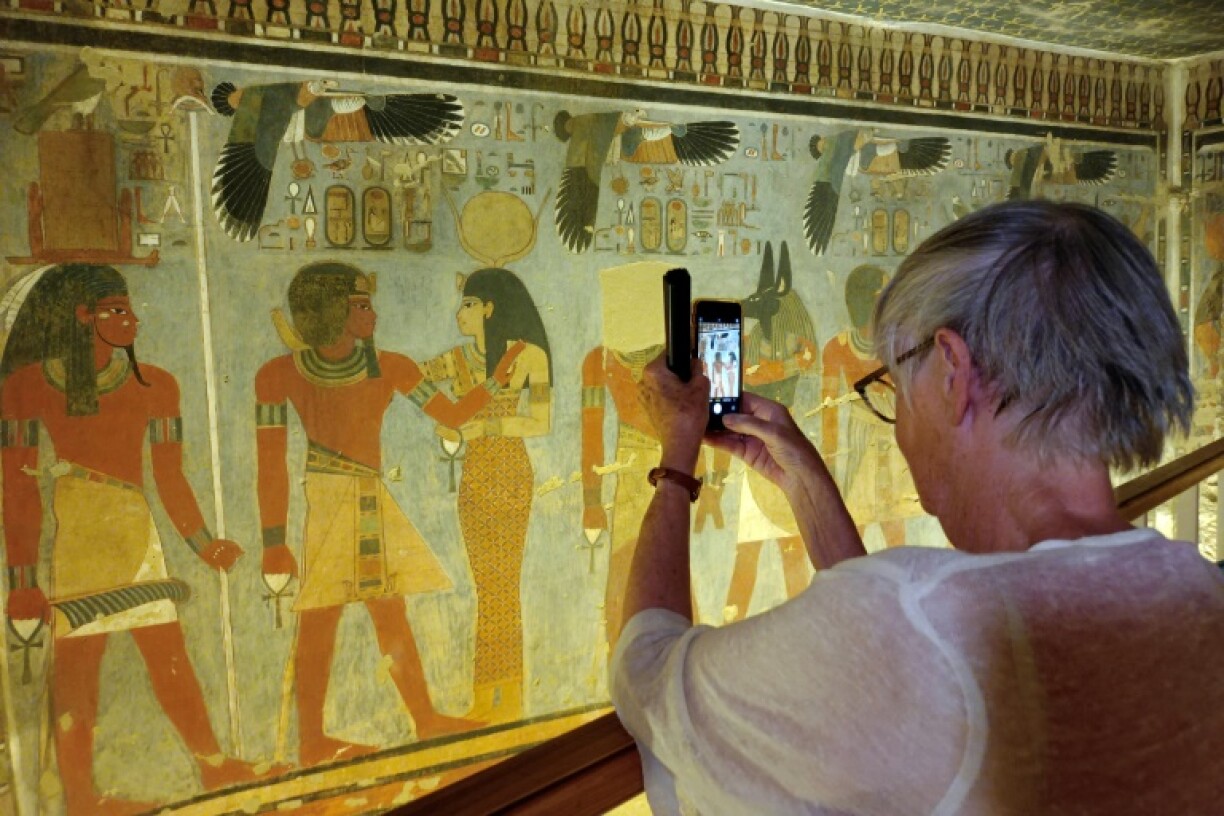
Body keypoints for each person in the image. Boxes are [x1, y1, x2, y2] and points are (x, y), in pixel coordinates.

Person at [610, 200, 1224, 814]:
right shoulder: (1201, 589)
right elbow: (895, 663)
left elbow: (649, 677)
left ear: (955, 372)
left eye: (896, 384)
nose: (900, 424)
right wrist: (802, 480)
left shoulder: (913, 626)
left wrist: (677, 455)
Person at [0, 264, 265, 815]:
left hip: (135, 528)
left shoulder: (157, 385)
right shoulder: (26, 386)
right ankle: (79, 798)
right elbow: (16, 487)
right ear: (82, 317)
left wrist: (203, 543)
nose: (132, 320)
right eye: (117, 311)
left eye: (129, 309)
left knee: (168, 655)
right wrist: (22, 580)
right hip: (78, 534)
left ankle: (212, 767)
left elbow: (169, 476)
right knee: (78, 670)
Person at [255, 261, 522, 765]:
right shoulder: (278, 375)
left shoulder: (391, 365)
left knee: (388, 608)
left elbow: (452, 416)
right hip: (330, 498)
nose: (372, 314)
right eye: (360, 305)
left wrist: (494, 380)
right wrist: (274, 540)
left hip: (369, 497)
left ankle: (423, 720)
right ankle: (312, 741)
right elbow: (269, 463)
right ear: (332, 310)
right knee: (319, 618)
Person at [421, 267, 552, 724]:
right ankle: (488, 693)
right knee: (486, 588)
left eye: (468, 304)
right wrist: (443, 417)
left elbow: (540, 422)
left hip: (510, 472)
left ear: (490, 308)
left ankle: (507, 693)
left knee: (504, 586)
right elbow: (409, 381)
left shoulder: (528, 356)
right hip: (474, 476)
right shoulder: (456, 360)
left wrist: (483, 427)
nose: (460, 313)